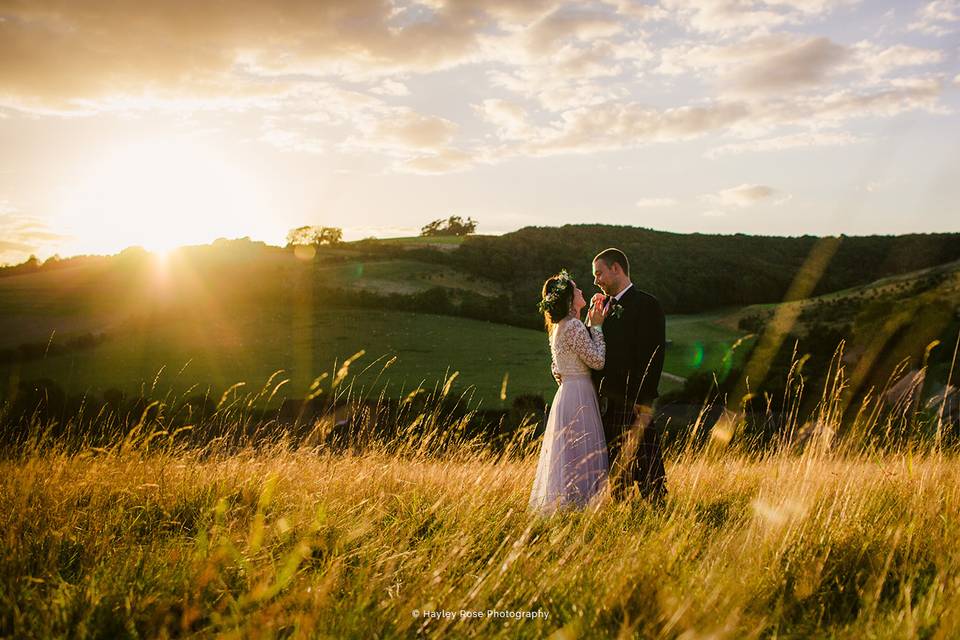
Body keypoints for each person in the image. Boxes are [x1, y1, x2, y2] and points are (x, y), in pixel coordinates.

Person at [588, 248, 667, 504]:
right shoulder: (601, 308)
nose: (595, 280)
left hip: (633, 401)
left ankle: (658, 515)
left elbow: (653, 356)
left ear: (616, 269)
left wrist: (643, 399)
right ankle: (623, 520)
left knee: (647, 468)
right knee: (616, 471)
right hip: (606, 403)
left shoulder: (646, 304)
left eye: (599, 273)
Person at [529, 269, 611, 515]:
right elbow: (597, 361)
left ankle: (567, 508)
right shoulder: (573, 326)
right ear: (567, 298)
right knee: (583, 452)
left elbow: (557, 369)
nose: (582, 291)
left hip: (566, 393)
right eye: (576, 290)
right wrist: (597, 327)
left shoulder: (559, 327)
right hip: (580, 395)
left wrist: (587, 320)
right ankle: (582, 507)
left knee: (569, 455)